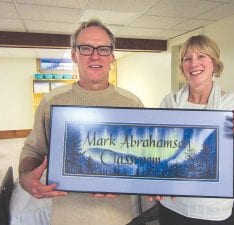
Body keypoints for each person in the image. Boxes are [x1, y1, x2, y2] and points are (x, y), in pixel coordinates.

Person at [18, 19, 143, 225]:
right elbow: (33, 150)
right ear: (74, 55)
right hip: (67, 218)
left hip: (119, 219)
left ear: (112, 56)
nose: (95, 55)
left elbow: (143, 160)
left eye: (103, 49)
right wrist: (25, 177)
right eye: (86, 48)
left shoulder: (132, 103)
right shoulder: (52, 101)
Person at [155, 35, 234, 225]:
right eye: (187, 58)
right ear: (182, 66)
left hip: (212, 212)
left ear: (214, 62)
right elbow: (159, 157)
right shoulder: (169, 103)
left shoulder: (231, 105)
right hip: (172, 205)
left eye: (201, 56)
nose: (193, 63)